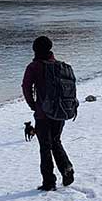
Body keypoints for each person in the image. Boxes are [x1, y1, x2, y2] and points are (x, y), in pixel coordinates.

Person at [22, 36, 74, 191]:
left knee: (45, 146)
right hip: (60, 110)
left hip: (43, 114)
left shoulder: (34, 66)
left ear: (35, 49)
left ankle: (49, 182)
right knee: (56, 141)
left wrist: (33, 105)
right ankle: (67, 169)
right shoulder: (60, 66)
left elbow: (26, 87)